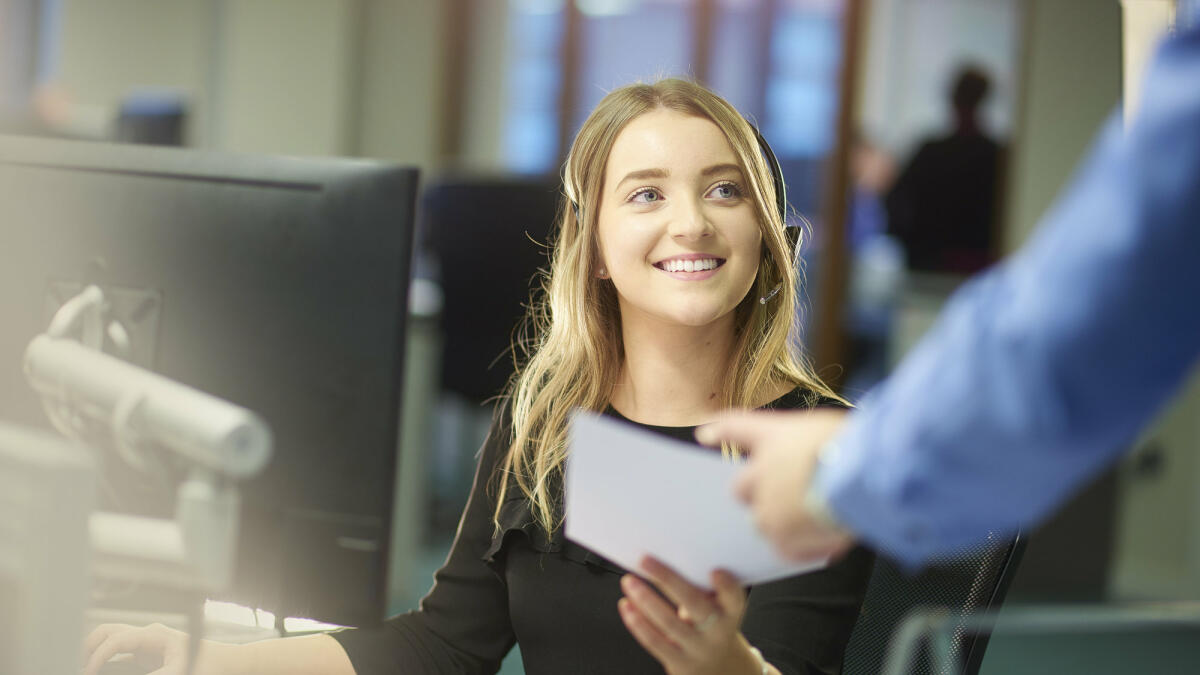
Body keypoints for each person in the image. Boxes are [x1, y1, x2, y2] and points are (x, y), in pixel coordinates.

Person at [83, 79, 875, 675]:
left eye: (724, 189)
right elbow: (445, 642)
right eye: (646, 194)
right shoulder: (543, 427)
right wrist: (198, 655)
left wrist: (725, 666)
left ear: (766, 235)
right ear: (593, 246)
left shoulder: (816, 447)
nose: (692, 221)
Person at [699, 25, 1200, 569]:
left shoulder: (936, 154)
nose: (689, 225)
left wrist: (844, 470)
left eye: (725, 190)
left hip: (937, 298)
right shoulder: (990, 153)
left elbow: (1124, 272)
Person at [885, 65, 1006, 275]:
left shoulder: (932, 153)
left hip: (941, 264)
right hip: (944, 265)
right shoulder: (995, 155)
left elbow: (895, 202)